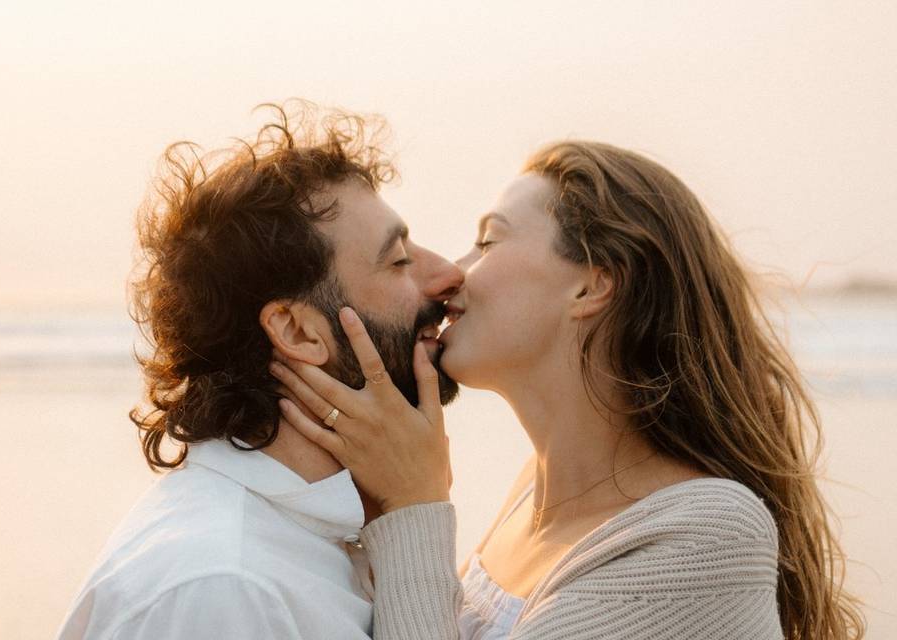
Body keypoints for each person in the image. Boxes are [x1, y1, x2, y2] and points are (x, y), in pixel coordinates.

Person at [273, 141, 866, 639]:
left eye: (489, 241)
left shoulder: (707, 535)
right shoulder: (532, 495)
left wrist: (414, 508)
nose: (454, 270)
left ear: (592, 286)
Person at [55, 102, 463, 639]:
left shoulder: (318, 539)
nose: (448, 274)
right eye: (398, 261)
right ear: (296, 332)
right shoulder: (224, 589)